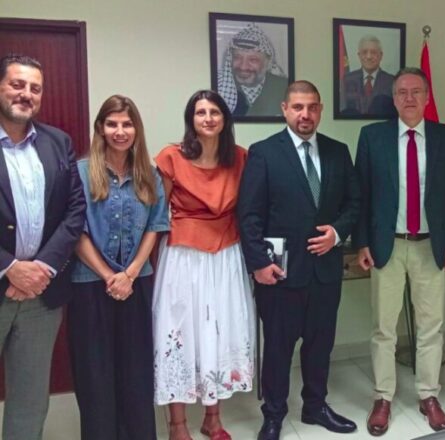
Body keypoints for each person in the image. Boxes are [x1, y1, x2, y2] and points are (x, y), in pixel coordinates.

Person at [237, 80, 360, 440]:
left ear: (320, 110)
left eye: (312, 107)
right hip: (280, 273)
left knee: (320, 345)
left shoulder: (338, 152)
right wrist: (259, 264)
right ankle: (274, 414)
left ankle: (315, 406)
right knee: (278, 348)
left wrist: (336, 233)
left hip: (325, 271)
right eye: (298, 107)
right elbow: (249, 215)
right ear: (285, 110)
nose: (305, 114)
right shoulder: (263, 153)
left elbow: (354, 203)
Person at [354, 67, 445, 434]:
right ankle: (383, 397)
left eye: (416, 91)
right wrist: (362, 242)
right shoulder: (373, 137)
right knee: (383, 328)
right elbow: (361, 194)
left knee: (431, 327)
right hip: (386, 245)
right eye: (401, 92)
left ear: (427, 96)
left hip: (431, 247)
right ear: (393, 98)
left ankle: (428, 395)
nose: (409, 98)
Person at [152, 90, 255, 440]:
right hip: (184, 256)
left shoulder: (240, 157)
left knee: (219, 332)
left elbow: (250, 209)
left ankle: (213, 418)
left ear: (225, 119)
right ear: (191, 120)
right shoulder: (171, 157)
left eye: (214, 112)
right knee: (179, 334)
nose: (208, 118)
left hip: (226, 255)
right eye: (200, 113)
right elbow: (157, 215)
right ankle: (177, 424)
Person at [68, 95, 168, 439]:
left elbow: (156, 226)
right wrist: (110, 276)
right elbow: (75, 231)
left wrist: (131, 273)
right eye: (112, 124)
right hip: (90, 285)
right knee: (95, 375)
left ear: (137, 129)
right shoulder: (80, 173)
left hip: (136, 285)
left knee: (136, 373)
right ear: (100, 128)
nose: (120, 131)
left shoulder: (149, 175)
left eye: (127, 124)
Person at [0, 53, 85, 440]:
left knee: (31, 398)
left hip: (41, 294)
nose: (26, 94)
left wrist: (42, 268)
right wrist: (10, 267)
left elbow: (75, 210)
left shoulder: (57, 142)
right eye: (17, 84)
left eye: (35, 88)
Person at [217, 23, 289, 117]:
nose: (243, 67)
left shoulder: (284, 87)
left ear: (268, 62)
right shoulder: (221, 87)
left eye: (253, 60)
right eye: (237, 57)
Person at [341, 35, 395, 117]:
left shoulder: (391, 81)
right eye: (364, 52)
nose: (369, 57)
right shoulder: (347, 79)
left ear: (381, 55)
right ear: (359, 55)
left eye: (373, 52)